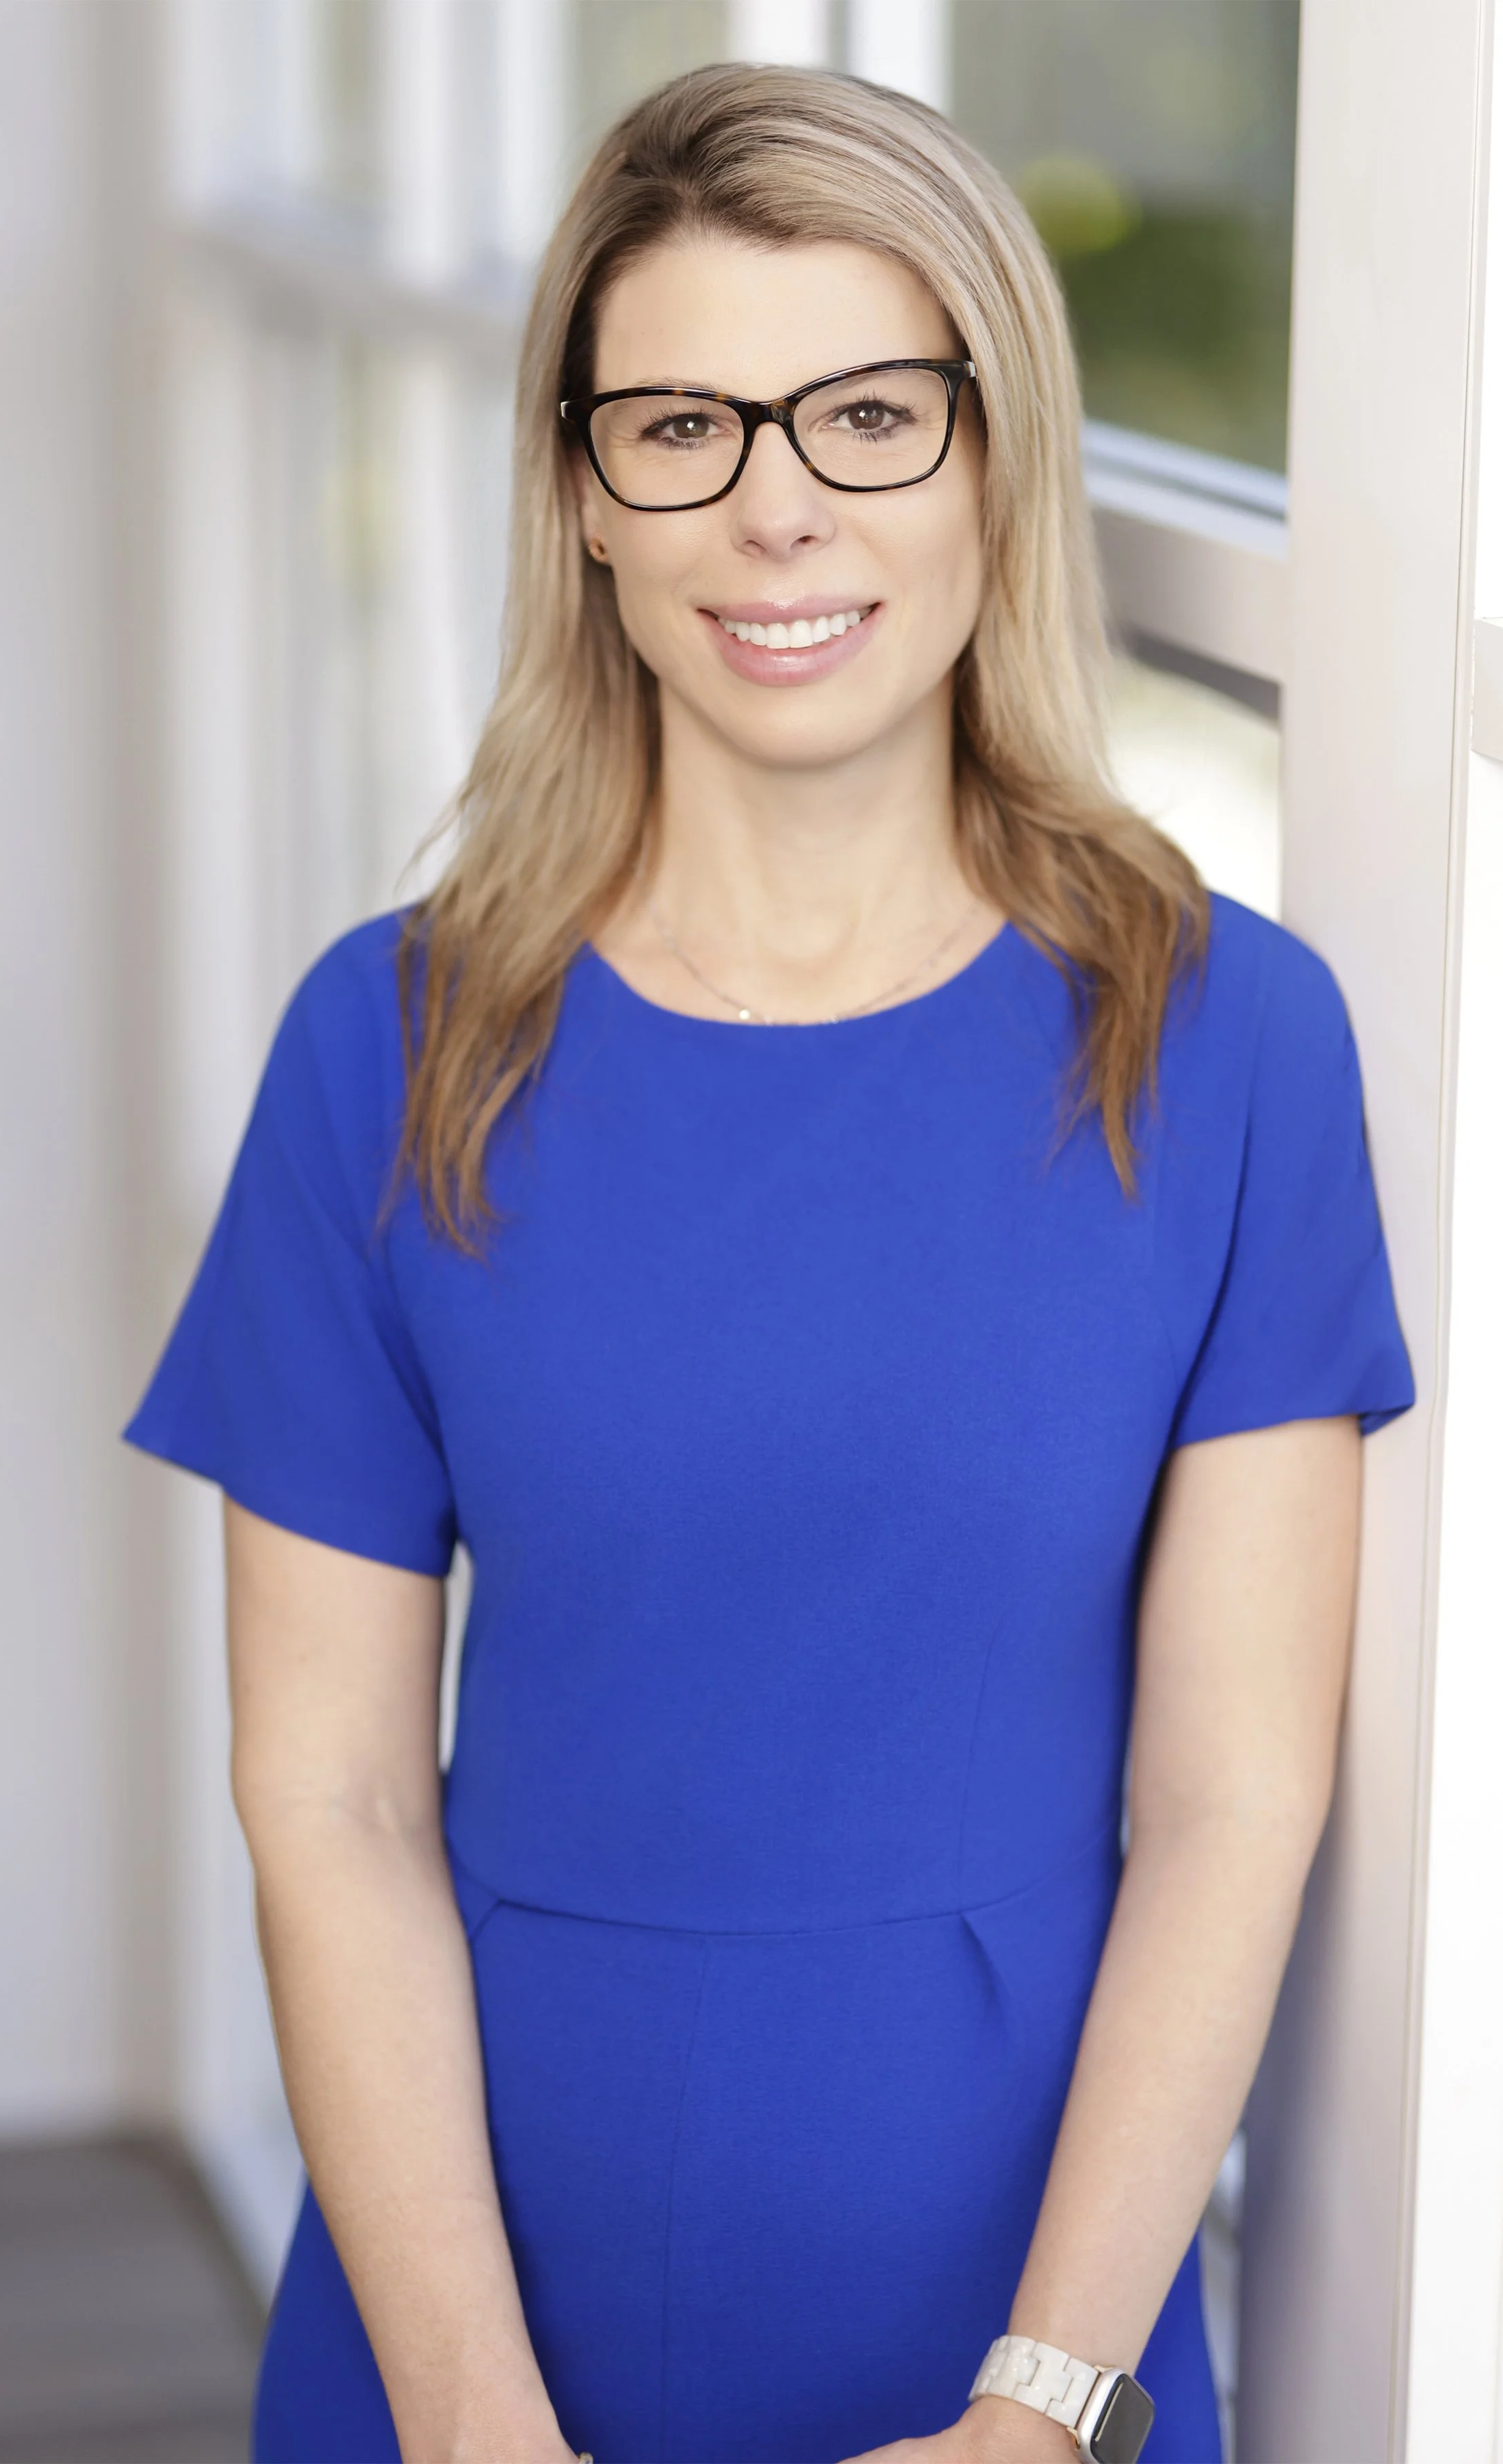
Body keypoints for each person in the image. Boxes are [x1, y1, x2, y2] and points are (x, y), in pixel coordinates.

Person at [125, 62, 1414, 2464]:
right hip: (469, 2304)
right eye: (681, 428)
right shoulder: (387, 1047)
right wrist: (472, 2421)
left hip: (1036, 2327)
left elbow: (1235, 1799)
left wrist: (1043, 2410)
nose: (775, 506)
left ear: (996, 460)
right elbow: (333, 1801)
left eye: (868, 415)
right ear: (582, 498)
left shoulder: (1227, 1040)